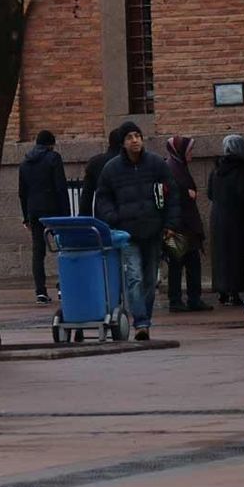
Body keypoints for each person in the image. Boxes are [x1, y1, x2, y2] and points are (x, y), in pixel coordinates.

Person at [95, 121, 179, 340]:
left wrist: (170, 224)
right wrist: (113, 217)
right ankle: (140, 322)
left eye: (138, 136)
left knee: (150, 279)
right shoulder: (112, 168)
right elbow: (103, 197)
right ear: (123, 143)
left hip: (153, 230)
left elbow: (172, 194)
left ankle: (145, 319)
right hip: (127, 233)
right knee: (134, 277)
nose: (135, 141)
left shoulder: (156, 164)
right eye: (130, 137)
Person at [18, 130, 70, 303]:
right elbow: (61, 187)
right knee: (63, 247)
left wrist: (26, 217)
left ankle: (40, 290)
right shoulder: (53, 158)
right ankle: (63, 286)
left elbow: (22, 193)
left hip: (34, 210)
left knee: (38, 250)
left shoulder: (25, 163)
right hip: (53, 209)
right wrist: (66, 213)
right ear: (50, 144)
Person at [163, 136, 210, 312]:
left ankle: (193, 298)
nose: (191, 154)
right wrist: (186, 193)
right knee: (177, 263)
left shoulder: (179, 166)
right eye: (189, 151)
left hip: (187, 224)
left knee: (192, 262)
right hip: (176, 226)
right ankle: (176, 300)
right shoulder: (171, 168)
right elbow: (169, 193)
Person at [210, 135, 244, 306]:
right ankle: (235, 292)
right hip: (236, 218)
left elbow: (210, 193)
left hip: (217, 217)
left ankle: (222, 291)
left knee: (221, 255)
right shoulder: (241, 169)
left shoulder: (216, 169)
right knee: (236, 254)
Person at [78, 128, 123, 218]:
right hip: (127, 216)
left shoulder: (95, 162)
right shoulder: (131, 162)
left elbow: (86, 197)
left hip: (102, 214)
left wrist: (85, 219)